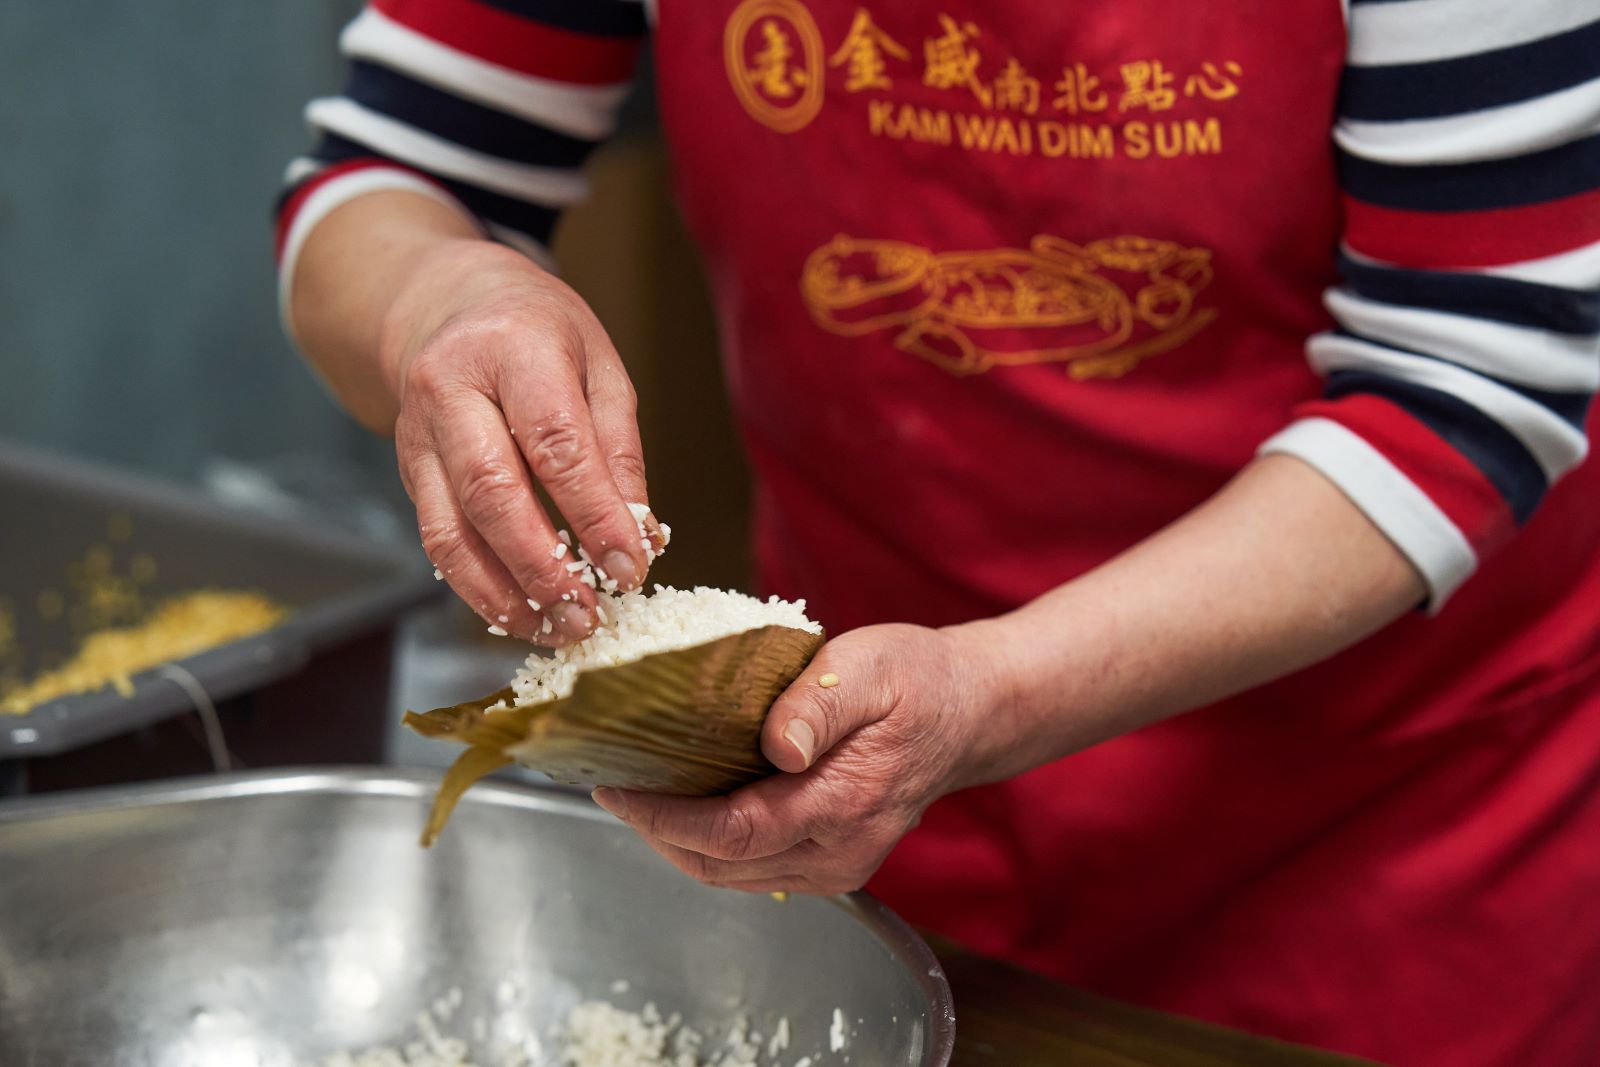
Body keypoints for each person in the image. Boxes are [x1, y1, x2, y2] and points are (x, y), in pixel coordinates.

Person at [274, 2, 1600, 1063]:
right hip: (880, 795)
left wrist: (997, 690)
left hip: (1376, 847)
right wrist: (440, 295)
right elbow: (385, 171)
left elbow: (1468, 387)